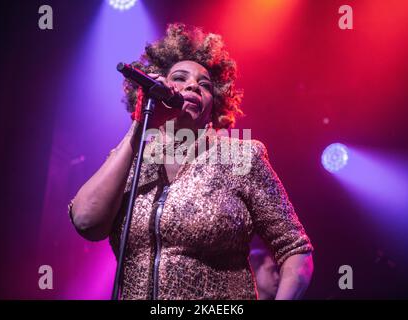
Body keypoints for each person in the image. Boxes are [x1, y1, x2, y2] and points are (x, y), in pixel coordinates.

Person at [68, 23, 314, 300]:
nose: (193, 86)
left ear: (212, 107)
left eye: (205, 85)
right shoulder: (131, 160)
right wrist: (139, 128)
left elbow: (296, 251)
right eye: (180, 78)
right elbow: (87, 222)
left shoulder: (243, 157)